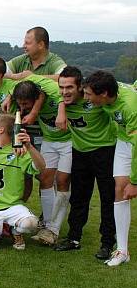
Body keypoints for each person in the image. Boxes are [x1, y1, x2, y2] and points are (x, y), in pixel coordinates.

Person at [53, 67, 118, 261]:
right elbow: (36, 80)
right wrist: (61, 106)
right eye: (61, 87)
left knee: (108, 199)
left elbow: (117, 97)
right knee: (79, 197)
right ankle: (74, 238)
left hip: (105, 152)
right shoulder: (63, 99)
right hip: (79, 152)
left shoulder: (96, 98)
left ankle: (107, 243)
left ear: (81, 86)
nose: (65, 92)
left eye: (70, 87)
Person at [81, 71, 136, 266]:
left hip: (135, 142)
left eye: (88, 94)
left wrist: (135, 182)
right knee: (119, 190)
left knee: (128, 188)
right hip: (124, 140)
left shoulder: (130, 107)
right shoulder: (111, 90)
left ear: (103, 93)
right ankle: (122, 251)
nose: (85, 98)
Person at [11, 76, 71, 245]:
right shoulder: (23, 91)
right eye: (20, 104)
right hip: (50, 141)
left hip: (69, 139)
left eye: (26, 105)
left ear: (37, 98)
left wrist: (59, 111)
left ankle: (53, 228)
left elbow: (57, 88)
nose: (22, 109)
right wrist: (9, 97)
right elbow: (13, 78)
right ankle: (47, 224)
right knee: (45, 178)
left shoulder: (50, 93)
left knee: (62, 180)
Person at [0, 114, 46, 253]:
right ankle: (1, 229)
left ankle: (16, 230)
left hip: (12, 207)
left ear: (1, 130)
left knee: (30, 224)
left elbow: (41, 167)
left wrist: (29, 147)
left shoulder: (19, 151)